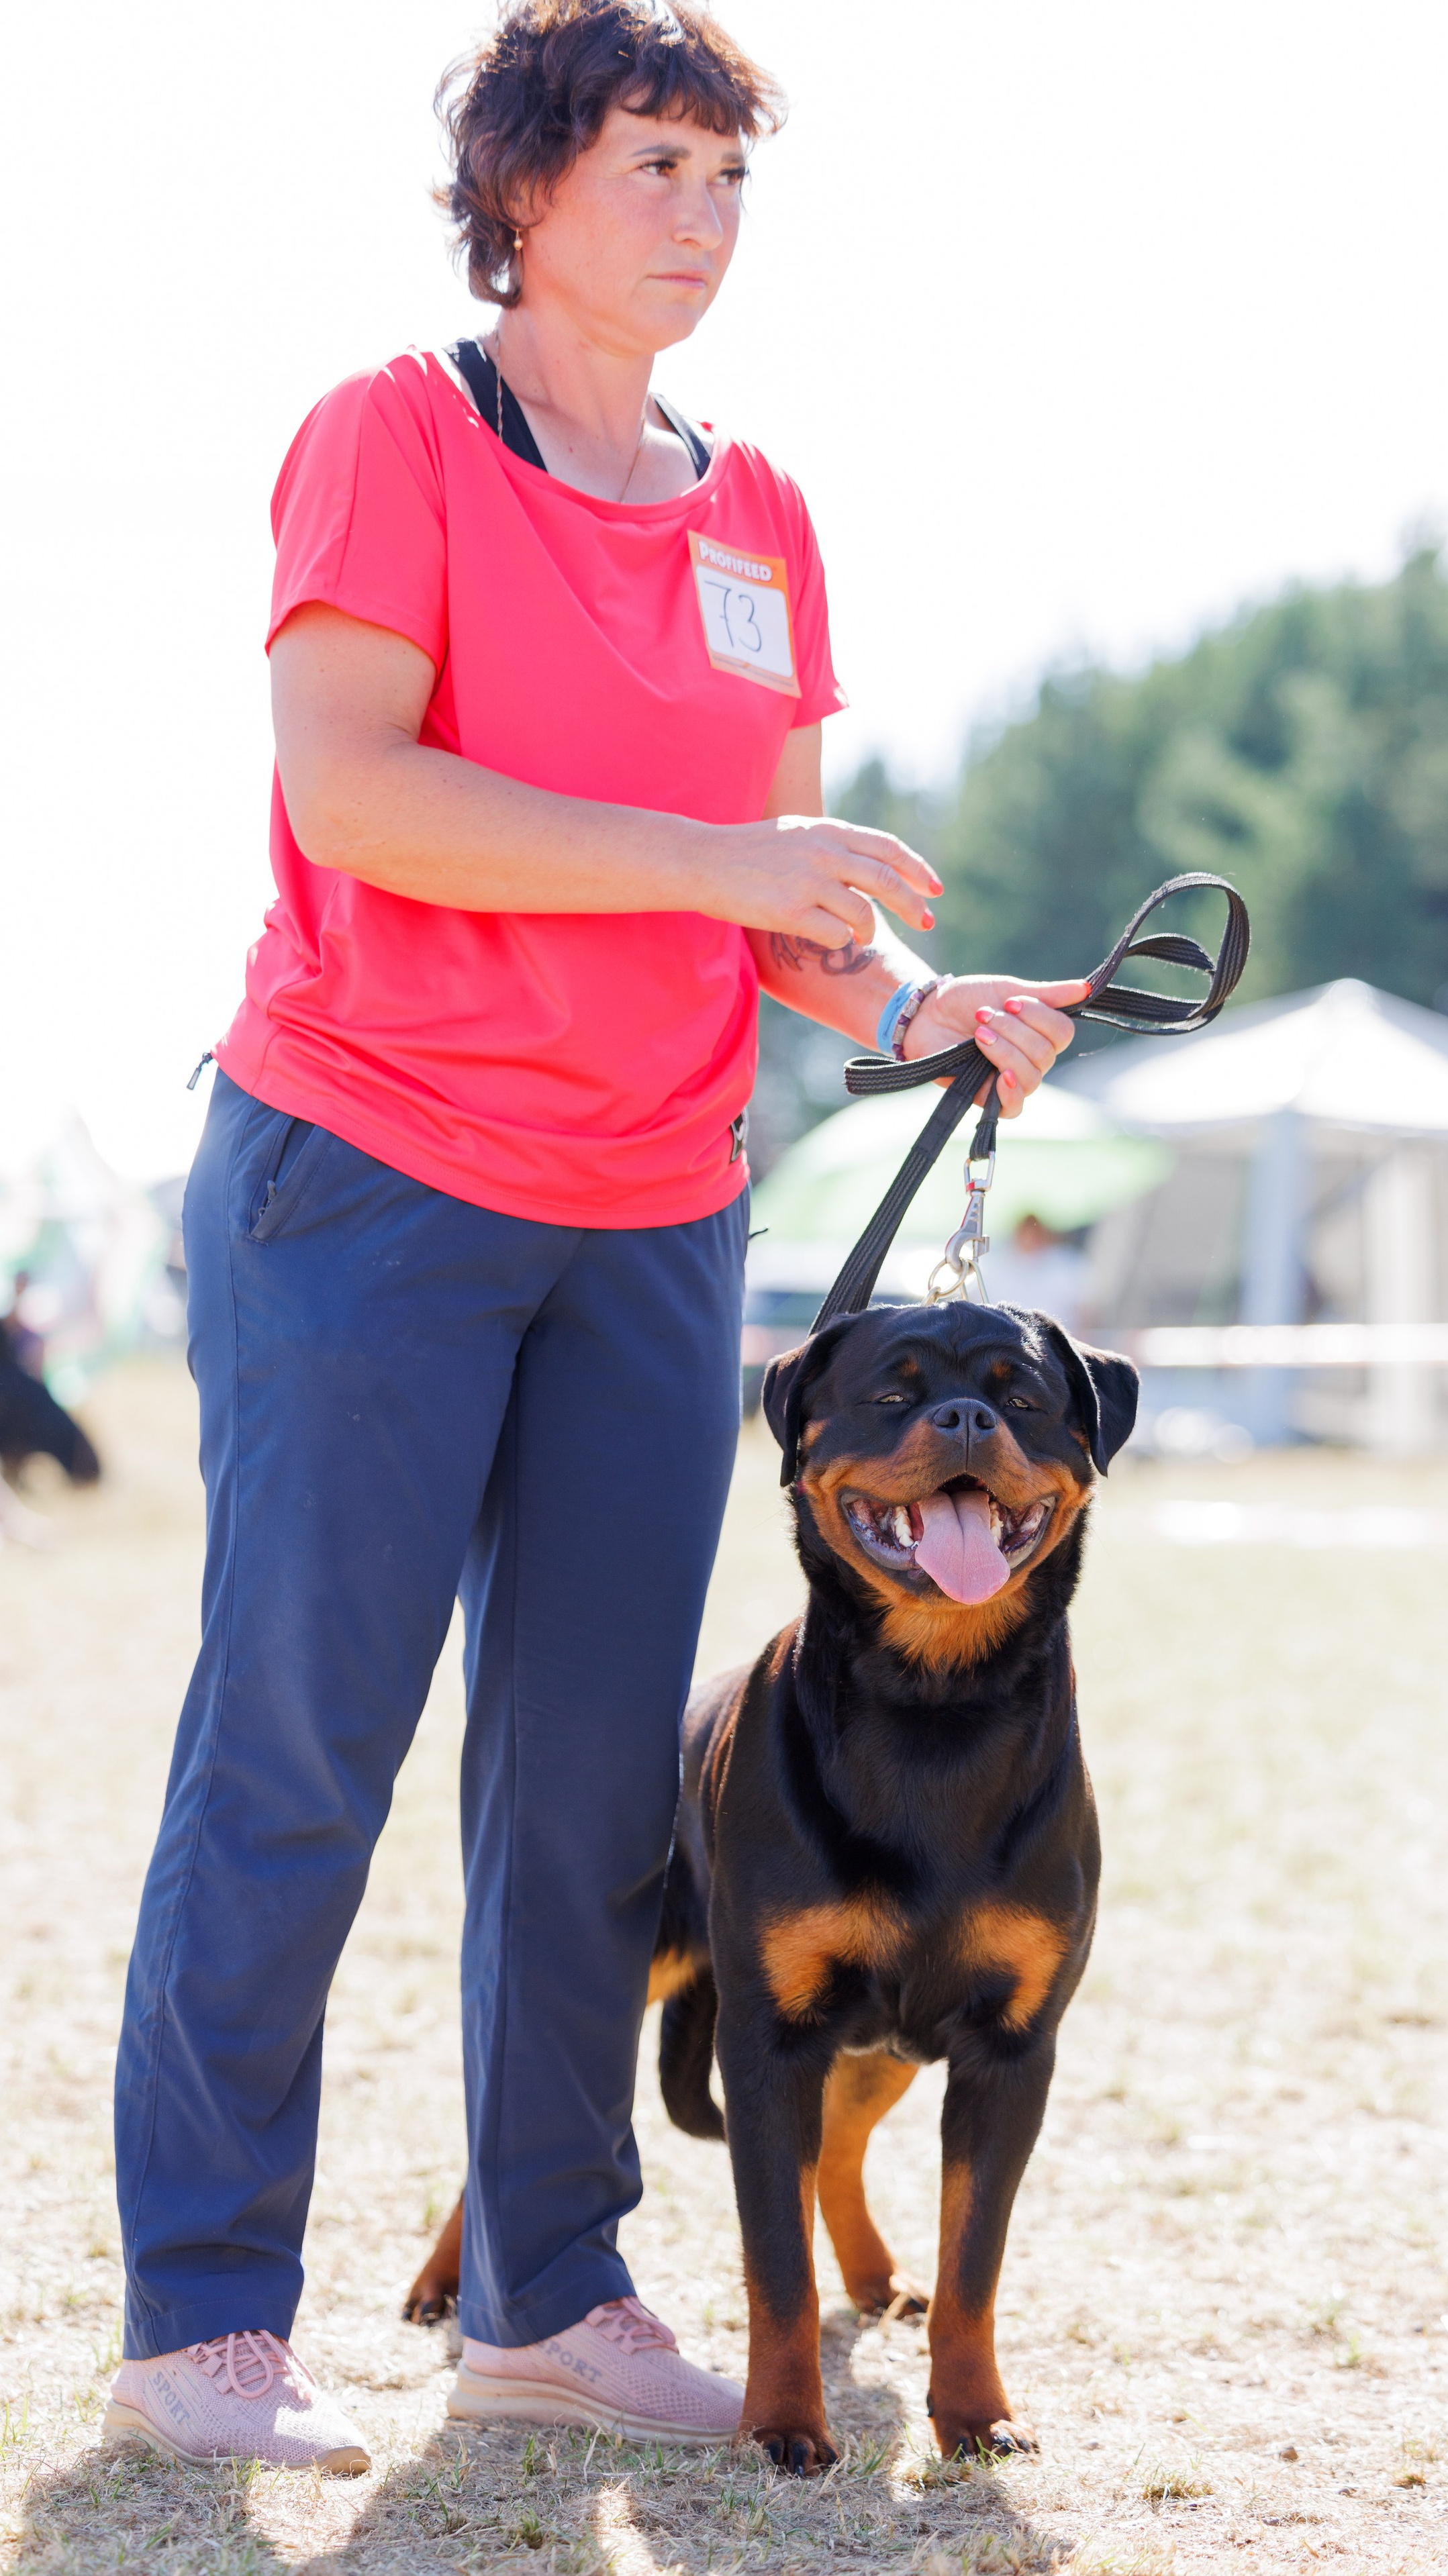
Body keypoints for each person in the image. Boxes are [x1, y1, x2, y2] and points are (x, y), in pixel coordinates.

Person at [106, 0, 1088, 2478]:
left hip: (656, 1208)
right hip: (371, 1173)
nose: (701, 217)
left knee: (588, 1792)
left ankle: (551, 2283)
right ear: (524, 188)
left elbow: (781, 910)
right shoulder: (393, 437)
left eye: (731, 177)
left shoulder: (762, 518)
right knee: (302, 1748)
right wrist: (732, 874)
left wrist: (902, 987)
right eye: (656, 162)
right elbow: (364, 798)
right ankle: (206, 2313)